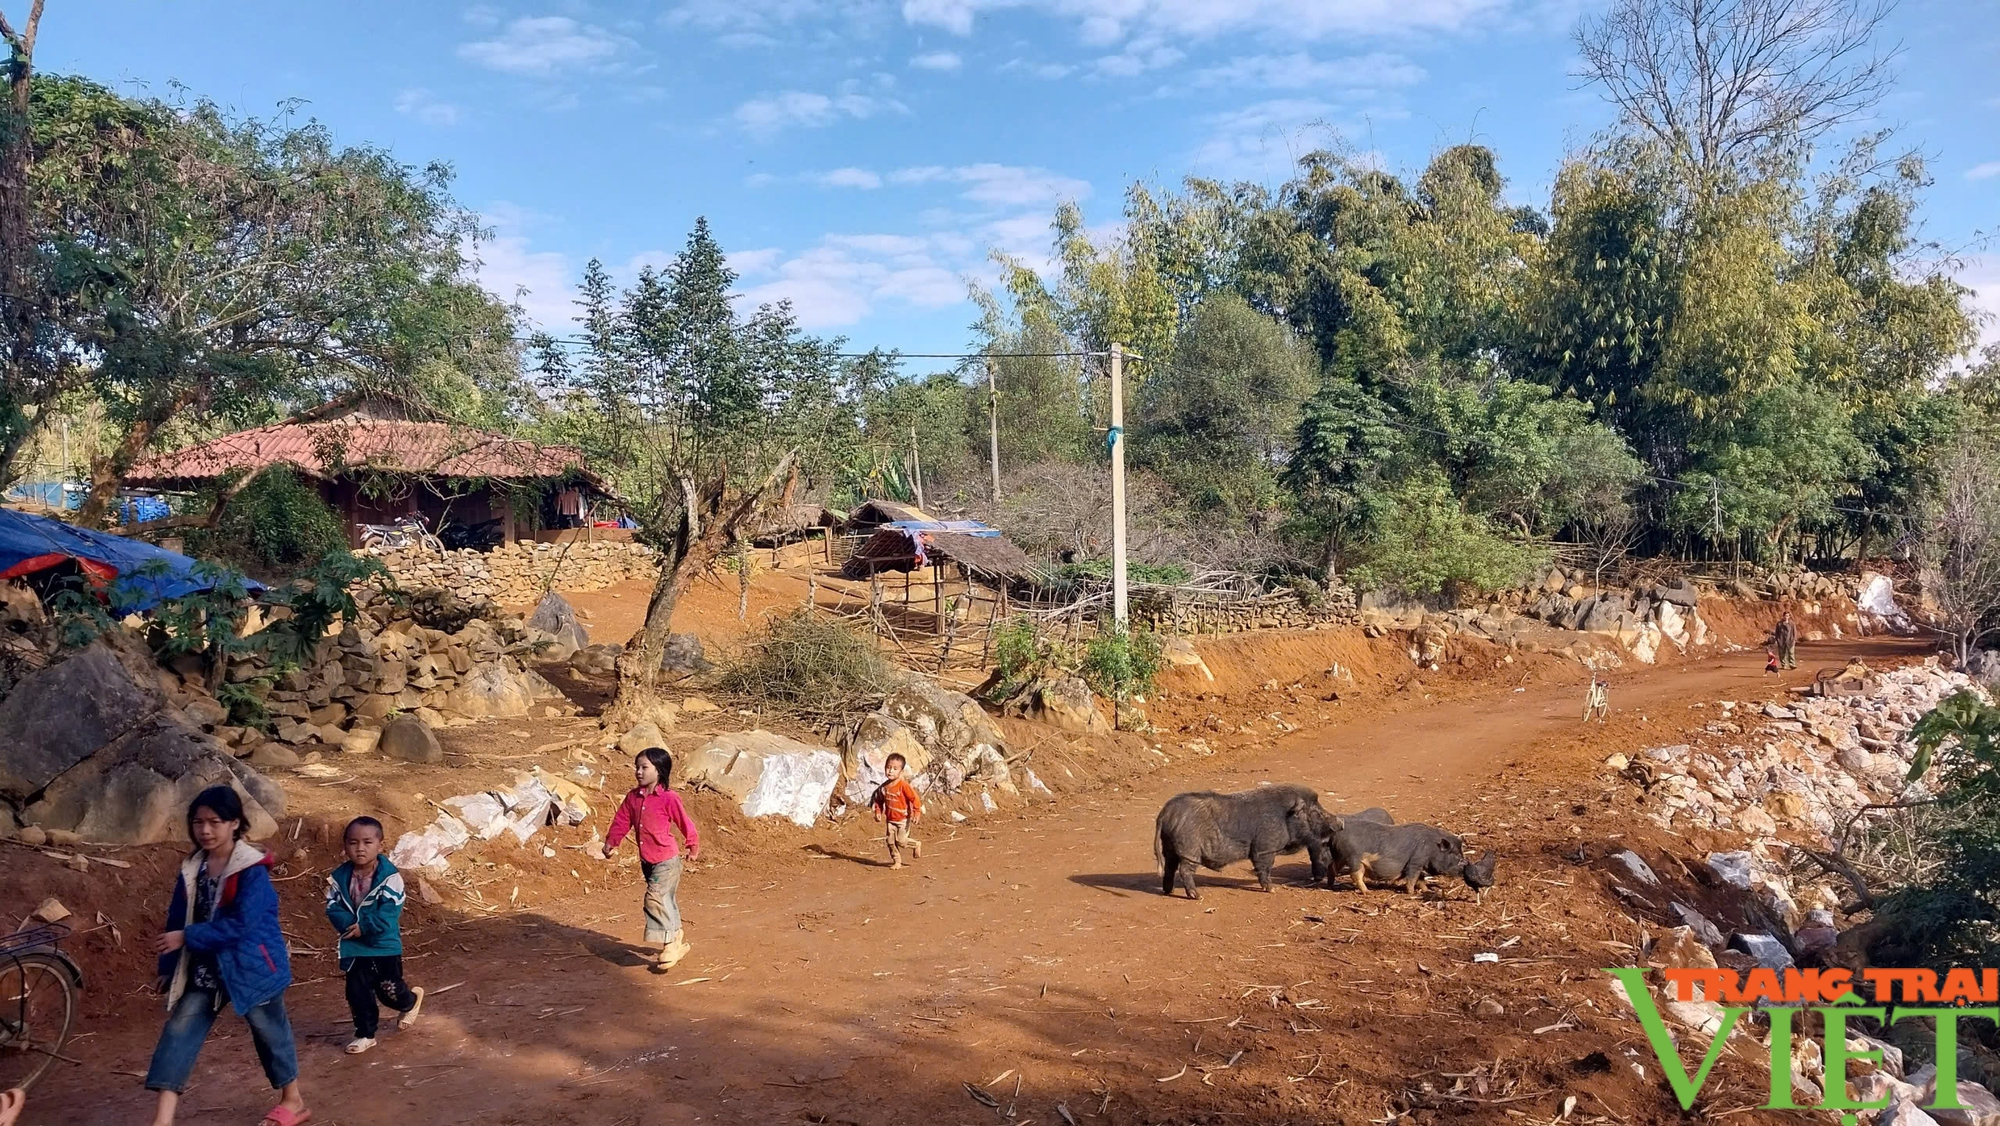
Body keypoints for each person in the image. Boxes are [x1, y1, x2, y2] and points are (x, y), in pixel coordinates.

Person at [145, 786, 309, 1126]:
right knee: (178, 1031)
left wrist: (186, 937)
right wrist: (169, 965)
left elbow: (243, 925)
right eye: (198, 822)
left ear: (235, 823)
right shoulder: (193, 867)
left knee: (270, 1033)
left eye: (214, 822)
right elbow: (179, 916)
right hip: (205, 968)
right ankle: (162, 1120)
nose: (205, 830)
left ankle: (293, 1100)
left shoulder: (251, 869)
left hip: (253, 966)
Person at [324, 816, 425, 1056]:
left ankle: (409, 1001)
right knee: (356, 991)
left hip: (383, 945)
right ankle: (365, 1034)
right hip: (354, 946)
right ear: (345, 845)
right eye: (353, 842)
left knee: (388, 990)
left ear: (380, 845)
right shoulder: (339, 878)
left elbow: (389, 912)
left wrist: (365, 926)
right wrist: (350, 926)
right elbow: (332, 906)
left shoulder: (391, 879)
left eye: (367, 842)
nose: (360, 848)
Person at [597, 748, 701, 970]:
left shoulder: (669, 798)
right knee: (665, 900)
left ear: (659, 770)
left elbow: (685, 822)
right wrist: (611, 843)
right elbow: (621, 822)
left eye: (644, 767)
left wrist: (692, 844)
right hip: (648, 861)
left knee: (654, 898)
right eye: (637, 767)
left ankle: (670, 944)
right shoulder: (633, 798)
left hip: (667, 860)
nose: (638, 772)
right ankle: (676, 934)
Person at [870, 753, 924, 868]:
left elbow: (914, 798)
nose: (890, 771)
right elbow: (878, 801)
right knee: (890, 842)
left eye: (895, 769)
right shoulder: (884, 787)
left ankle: (916, 844)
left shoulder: (903, 786)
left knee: (901, 841)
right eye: (888, 767)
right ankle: (897, 861)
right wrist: (878, 812)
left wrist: (916, 812)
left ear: (901, 771)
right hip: (890, 820)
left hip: (903, 819)